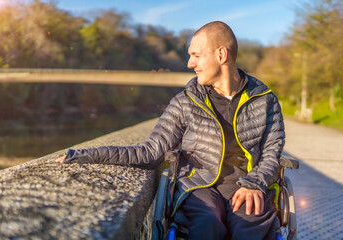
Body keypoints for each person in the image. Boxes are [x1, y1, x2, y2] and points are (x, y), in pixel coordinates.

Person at [56, 21, 284, 240]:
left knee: (248, 231)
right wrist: (85, 155)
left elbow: (272, 155)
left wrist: (255, 183)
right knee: (208, 225)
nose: (189, 64)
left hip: (248, 186)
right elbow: (149, 152)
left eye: (196, 55)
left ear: (221, 55)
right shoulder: (185, 101)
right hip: (200, 186)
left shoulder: (265, 100)